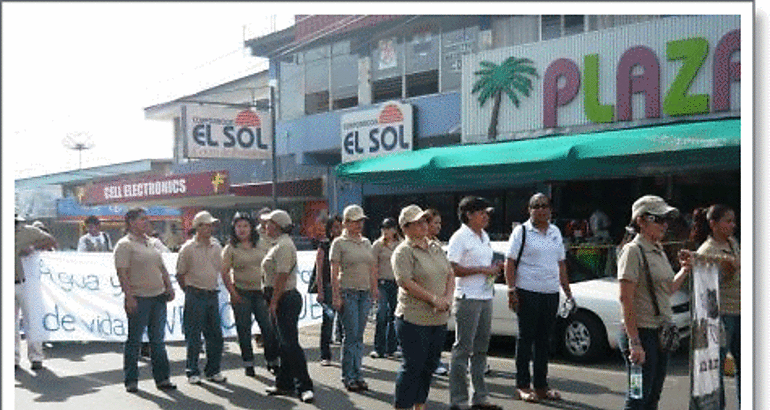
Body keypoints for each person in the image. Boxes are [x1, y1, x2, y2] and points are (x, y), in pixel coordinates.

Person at [617, 195, 692, 410]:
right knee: (637, 398)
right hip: (641, 333)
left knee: (652, 398)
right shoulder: (633, 251)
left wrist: (685, 270)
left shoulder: (658, 249)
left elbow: (667, 289)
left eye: (666, 220)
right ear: (641, 220)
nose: (664, 225)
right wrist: (635, 342)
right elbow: (625, 298)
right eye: (658, 219)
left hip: (661, 333)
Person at [504, 193, 573, 403]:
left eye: (545, 206)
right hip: (527, 291)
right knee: (526, 339)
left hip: (550, 293)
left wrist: (567, 291)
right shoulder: (522, 231)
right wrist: (511, 290)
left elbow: (561, 263)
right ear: (529, 210)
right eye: (536, 206)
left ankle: (541, 386)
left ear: (550, 209)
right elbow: (509, 262)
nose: (541, 210)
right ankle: (522, 385)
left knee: (544, 341)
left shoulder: (555, 232)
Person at [392, 205, 455, 410]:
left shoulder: (435, 246)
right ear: (405, 228)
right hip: (413, 319)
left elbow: (450, 274)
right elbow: (406, 283)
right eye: (417, 222)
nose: (423, 225)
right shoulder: (403, 251)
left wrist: (447, 297)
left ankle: (420, 405)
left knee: (429, 366)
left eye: (424, 221)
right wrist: (433, 299)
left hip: (438, 319)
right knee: (413, 366)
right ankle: (402, 406)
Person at [447, 196, 503, 410]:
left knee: (481, 349)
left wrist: (493, 267)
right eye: (481, 212)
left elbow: (483, 264)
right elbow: (453, 268)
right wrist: (482, 270)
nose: (486, 216)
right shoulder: (460, 237)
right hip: (468, 298)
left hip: (485, 296)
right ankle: (458, 400)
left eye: (486, 213)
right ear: (469, 214)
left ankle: (479, 397)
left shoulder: (484, 236)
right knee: (462, 349)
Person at [113, 208, 176, 392]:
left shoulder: (152, 243)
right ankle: (131, 380)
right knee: (135, 340)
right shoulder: (125, 245)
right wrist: (129, 297)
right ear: (131, 222)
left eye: (146, 219)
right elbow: (122, 273)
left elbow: (162, 268)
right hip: (139, 298)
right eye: (142, 219)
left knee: (158, 340)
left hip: (158, 297)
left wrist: (169, 287)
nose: (146, 222)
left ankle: (162, 378)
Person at [261, 210, 315, 403]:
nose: (266, 226)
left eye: (269, 223)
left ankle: (305, 385)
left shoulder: (283, 245)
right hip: (279, 297)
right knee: (284, 343)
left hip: (285, 298)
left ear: (278, 225)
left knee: (290, 344)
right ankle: (284, 383)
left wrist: (274, 301)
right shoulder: (277, 244)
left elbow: (282, 276)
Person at [690, 204, 740, 408]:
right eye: (728, 221)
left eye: (733, 221)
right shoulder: (707, 251)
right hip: (723, 315)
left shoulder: (733, 242)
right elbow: (706, 287)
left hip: (741, 312)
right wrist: (728, 269)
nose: (733, 225)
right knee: (715, 370)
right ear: (713, 224)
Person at [221, 212, 280, 377]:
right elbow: (225, 272)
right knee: (244, 330)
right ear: (234, 228)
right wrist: (232, 293)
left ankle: (272, 361)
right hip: (241, 293)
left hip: (262, 293)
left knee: (268, 328)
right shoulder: (230, 248)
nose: (242, 229)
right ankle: (248, 363)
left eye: (245, 226)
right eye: (238, 226)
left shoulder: (262, 244)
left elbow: (273, 265)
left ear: (251, 227)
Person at [176, 210, 227, 385]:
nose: (210, 228)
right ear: (198, 227)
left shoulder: (217, 246)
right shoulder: (187, 249)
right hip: (195, 295)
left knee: (215, 336)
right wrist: (190, 291)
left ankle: (213, 370)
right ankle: (192, 371)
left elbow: (222, 270)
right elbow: (180, 274)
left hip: (212, 295)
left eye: (211, 225)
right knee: (194, 336)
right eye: (206, 225)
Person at [330, 204, 378, 392]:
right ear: (346, 223)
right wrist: (336, 296)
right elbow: (333, 272)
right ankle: (348, 376)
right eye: (355, 221)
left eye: (361, 221)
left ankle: (358, 374)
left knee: (359, 337)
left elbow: (372, 267)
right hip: (348, 292)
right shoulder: (339, 243)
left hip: (364, 293)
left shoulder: (366, 242)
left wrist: (374, 290)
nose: (359, 225)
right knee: (350, 337)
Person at [15, 213, 57, 371]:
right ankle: (13, 359)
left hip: (26, 283)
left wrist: (33, 248)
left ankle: (36, 357)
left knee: (32, 320)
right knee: (10, 326)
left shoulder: (28, 231)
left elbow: (51, 241)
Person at [370, 217, 402, 359]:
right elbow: (373, 266)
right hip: (382, 282)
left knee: (394, 315)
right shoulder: (377, 245)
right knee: (381, 313)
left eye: (388, 228)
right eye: (383, 228)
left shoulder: (400, 244)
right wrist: (374, 286)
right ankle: (379, 348)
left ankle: (392, 347)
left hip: (397, 283)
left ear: (394, 230)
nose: (385, 231)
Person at [315, 214, 343, 366]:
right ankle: (325, 354)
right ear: (330, 229)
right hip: (328, 286)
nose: (337, 230)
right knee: (328, 321)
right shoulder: (324, 245)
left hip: (345, 286)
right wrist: (320, 291)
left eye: (340, 227)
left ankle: (347, 357)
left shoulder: (347, 244)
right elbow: (319, 271)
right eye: (334, 227)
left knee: (346, 323)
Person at [425, 208, 449, 376]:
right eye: (435, 223)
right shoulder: (419, 244)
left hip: (440, 295)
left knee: (437, 332)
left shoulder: (437, 244)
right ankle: (429, 363)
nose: (439, 226)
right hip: (426, 296)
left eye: (440, 223)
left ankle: (434, 361)